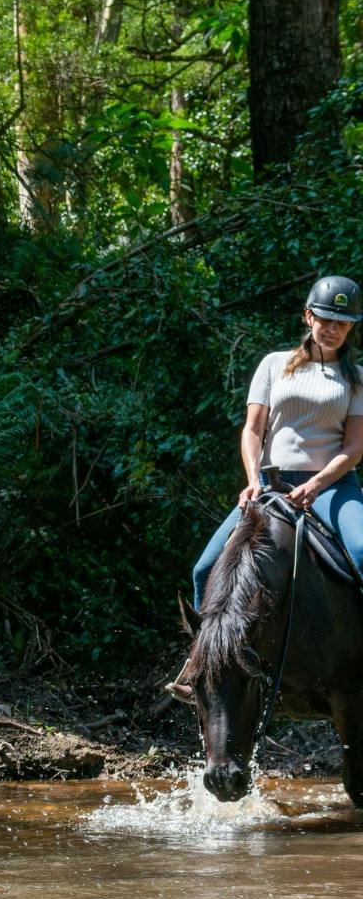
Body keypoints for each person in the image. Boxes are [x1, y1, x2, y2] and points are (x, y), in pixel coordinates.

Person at [168, 274, 363, 700]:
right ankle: (202, 660)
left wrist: (316, 482)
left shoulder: (357, 378)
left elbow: (354, 448)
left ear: (351, 329)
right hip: (271, 485)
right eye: (325, 319)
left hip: (332, 486)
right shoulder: (274, 364)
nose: (332, 329)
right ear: (308, 316)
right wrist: (253, 479)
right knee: (204, 568)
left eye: (342, 323)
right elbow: (253, 429)